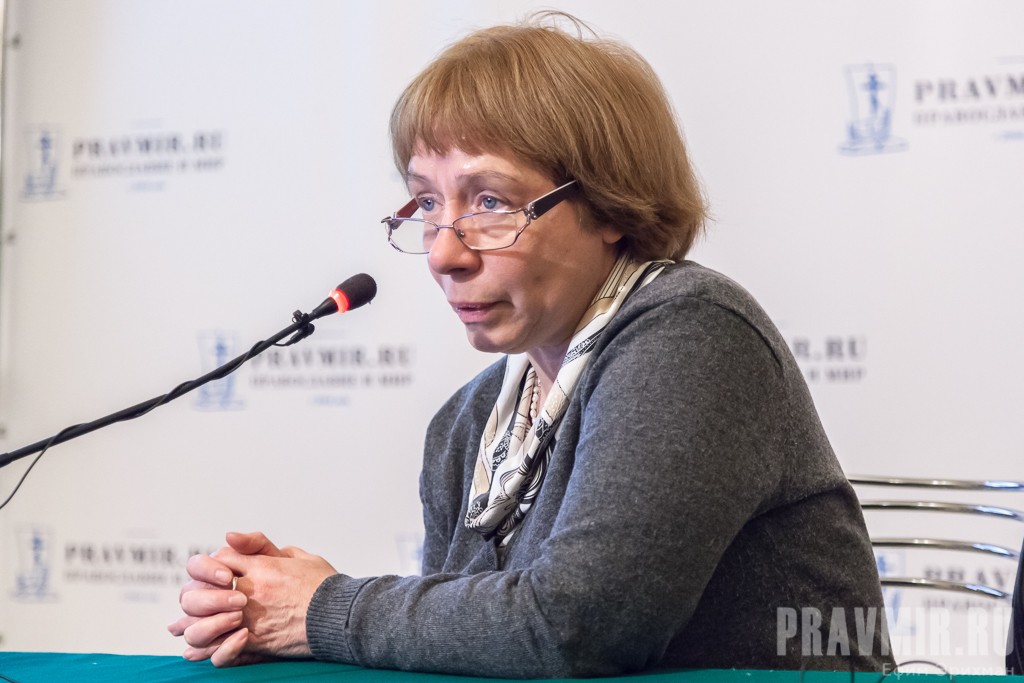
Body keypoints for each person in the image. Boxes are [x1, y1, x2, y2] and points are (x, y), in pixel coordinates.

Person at [168, 13, 893, 677]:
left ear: (609, 204)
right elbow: (473, 651)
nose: (443, 254)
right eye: (428, 203)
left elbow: (581, 627)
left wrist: (322, 609)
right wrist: (267, 604)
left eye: (490, 201)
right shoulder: (466, 425)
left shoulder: (694, 335)